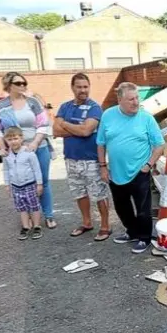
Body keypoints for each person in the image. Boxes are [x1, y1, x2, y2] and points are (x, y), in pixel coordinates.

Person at [96, 82, 165, 254]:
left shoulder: (146, 118)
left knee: (143, 210)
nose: (136, 102)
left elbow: (159, 145)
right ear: (119, 99)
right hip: (115, 172)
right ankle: (132, 232)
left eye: (137, 98)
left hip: (139, 171)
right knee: (122, 207)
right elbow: (100, 143)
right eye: (130, 99)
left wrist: (148, 165)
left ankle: (144, 238)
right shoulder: (108, 115)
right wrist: (103, 167)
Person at [0, 72, 57, 230]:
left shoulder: (32, 102)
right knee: (22, 183)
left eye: (24, 83)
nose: (22, 86)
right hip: (15, 150)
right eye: (18, 83)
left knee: (43, 182)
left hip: (38, 147)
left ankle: (48, 215)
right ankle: (29, 218)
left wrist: (35, 143)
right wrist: (1, 147)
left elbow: (43, 124)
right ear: (8, 85)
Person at [53, 73, 112, 240]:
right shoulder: (65, 106)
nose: (83, 90)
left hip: (91, 159)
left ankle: (105, 226)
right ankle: (87, 222)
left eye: (85, 87)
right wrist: (76, 128)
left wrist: (64, 124)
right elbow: (55, 131)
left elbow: (86, 131)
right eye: (79, 87)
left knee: (99, 194)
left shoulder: (95, 108)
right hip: (71, 158)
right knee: (79, 193)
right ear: (73, 88)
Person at [2, 127, 44, 240]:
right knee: (22, 208)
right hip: (16, 186)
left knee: (34, 206)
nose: (13, 141)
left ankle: (36, 226)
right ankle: (25, 227)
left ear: (21, 138)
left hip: (29, 184)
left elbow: (36, 169)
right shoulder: (7, 156)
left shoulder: (29, 153)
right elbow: (6, 170)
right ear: (6, 140)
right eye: (10, 139)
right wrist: (7, 184)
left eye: (15, 138)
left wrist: (39, 184)